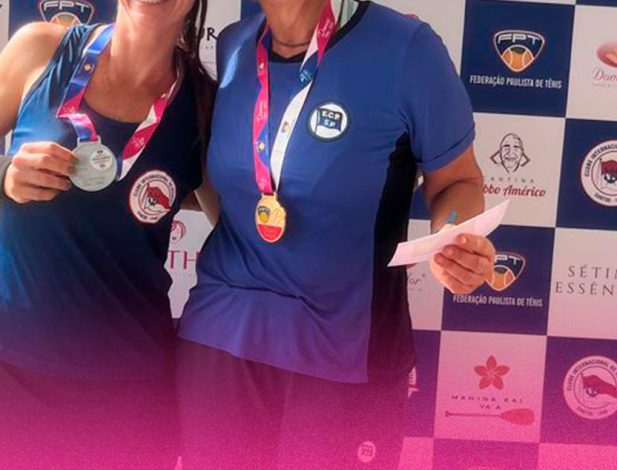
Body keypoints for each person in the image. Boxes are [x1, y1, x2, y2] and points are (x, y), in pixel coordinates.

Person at [176, 0, 496, 468]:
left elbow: (458, 181)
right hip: (221, 340)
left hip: (343, 352)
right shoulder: (234, 46)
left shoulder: (407, 48)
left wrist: (452, 237)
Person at [0, 0, 213, 467]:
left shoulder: (204, 104)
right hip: (4, 372)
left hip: (127, 389)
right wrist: (0, 173)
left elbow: (242, 218)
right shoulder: (42, 48)